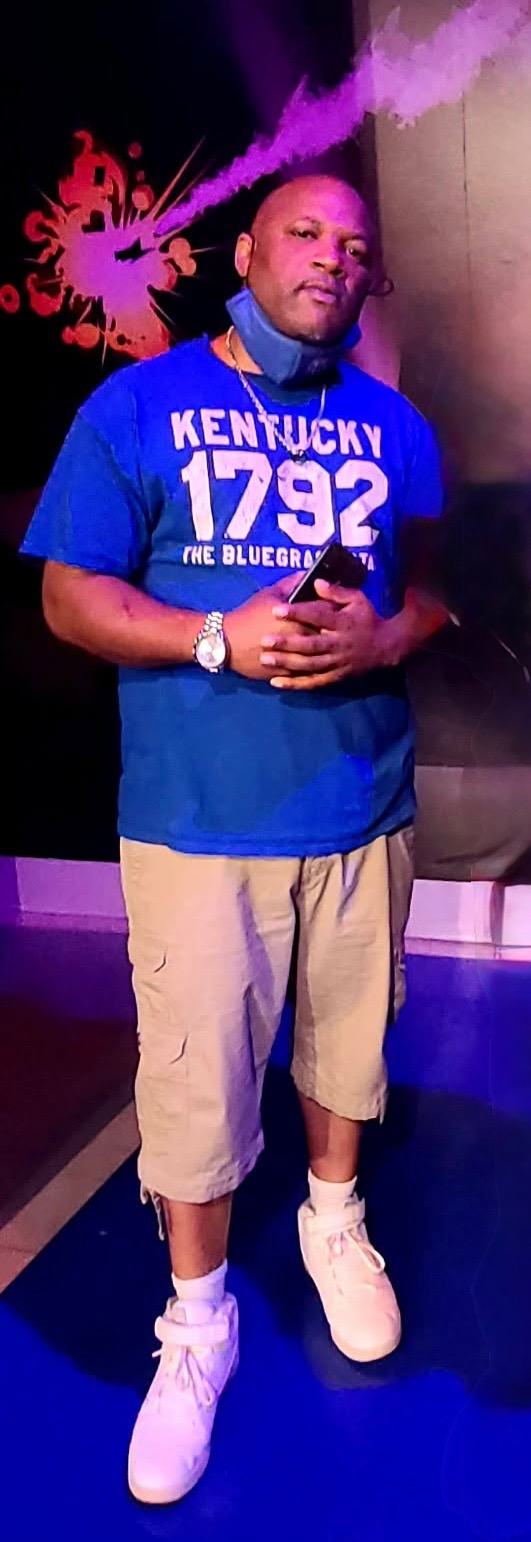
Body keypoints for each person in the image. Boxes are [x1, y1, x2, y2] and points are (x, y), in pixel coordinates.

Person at [22, 174, 449, 1506]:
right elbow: (69, 596)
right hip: (199, 822)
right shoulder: (135, 407)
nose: (332, 258)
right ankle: (197, 1319)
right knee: (196, 1085)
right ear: (249, 252)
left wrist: (382, 634)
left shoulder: (393, 425)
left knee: (348, 1046)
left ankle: (334, 1218)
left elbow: (434, 593)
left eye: (355, 246)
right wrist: (216, 635)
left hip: (363, 806)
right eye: (306, 234)